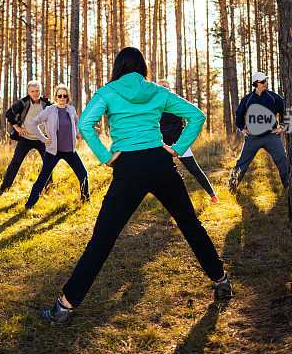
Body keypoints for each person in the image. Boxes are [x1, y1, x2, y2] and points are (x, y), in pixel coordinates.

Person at [40, 47, 231, 327]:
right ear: (142, 66)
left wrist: (106, 157)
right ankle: (220, 280)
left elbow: (87, 124)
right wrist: (177, 149)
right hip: (160, 163)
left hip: (128, 168)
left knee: (102, 239)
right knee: (190, 225)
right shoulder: (156, 91)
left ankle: (64, 308)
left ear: (118, 67)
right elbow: (197, 116)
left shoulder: (107, 92)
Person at [24, 84, 89, 209]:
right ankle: (29, 204)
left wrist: (75, 134)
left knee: (83, 174)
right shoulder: (50, 110)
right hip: (53, 151)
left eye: (65, 95)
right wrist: (43, 139)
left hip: (70, 151)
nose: (62, 98)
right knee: (43, 178)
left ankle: (86, 201)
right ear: (56, 96)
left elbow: (76, 121)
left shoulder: (71, 109)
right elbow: (34, 123)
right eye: (60, 95)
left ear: (67, 97)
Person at [158, 80, 218, 203]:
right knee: (161, 171)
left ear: (169, 89)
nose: (164, 89)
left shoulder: (177, 102)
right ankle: (170, 199)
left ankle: (212, 194)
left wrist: (182, 141)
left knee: (194, 168)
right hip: (163, 144)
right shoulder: (155, 105)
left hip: (179, 142)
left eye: (166, 87)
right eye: (161, 87)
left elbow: (192, 118)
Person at [228, 71, 288, 193]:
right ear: (256, 83)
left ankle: (288, 187)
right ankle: (231, 187)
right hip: (252, 138)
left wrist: (281, 127)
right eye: (262, 82)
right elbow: (238, 114)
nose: (265, 83)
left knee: (282, 158)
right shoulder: (247, 99)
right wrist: (242, 129)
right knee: (242, 163)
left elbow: (284, 111)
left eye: (266, 81)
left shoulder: (274, 97)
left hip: (271, 136)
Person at [0, 81, 53, 195]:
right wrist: (17, 127)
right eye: (32, 91)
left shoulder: (46, 103)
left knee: (48, 162)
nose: (35, 93)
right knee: (16, 162)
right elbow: (9, 113)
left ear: (40, 91)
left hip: (41, 139)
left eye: (37, 91)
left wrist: (48, 129)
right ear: (28, 92)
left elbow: (55, 116)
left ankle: (49, 187)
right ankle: (5, 187)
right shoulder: (23, 103)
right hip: (25, 138)